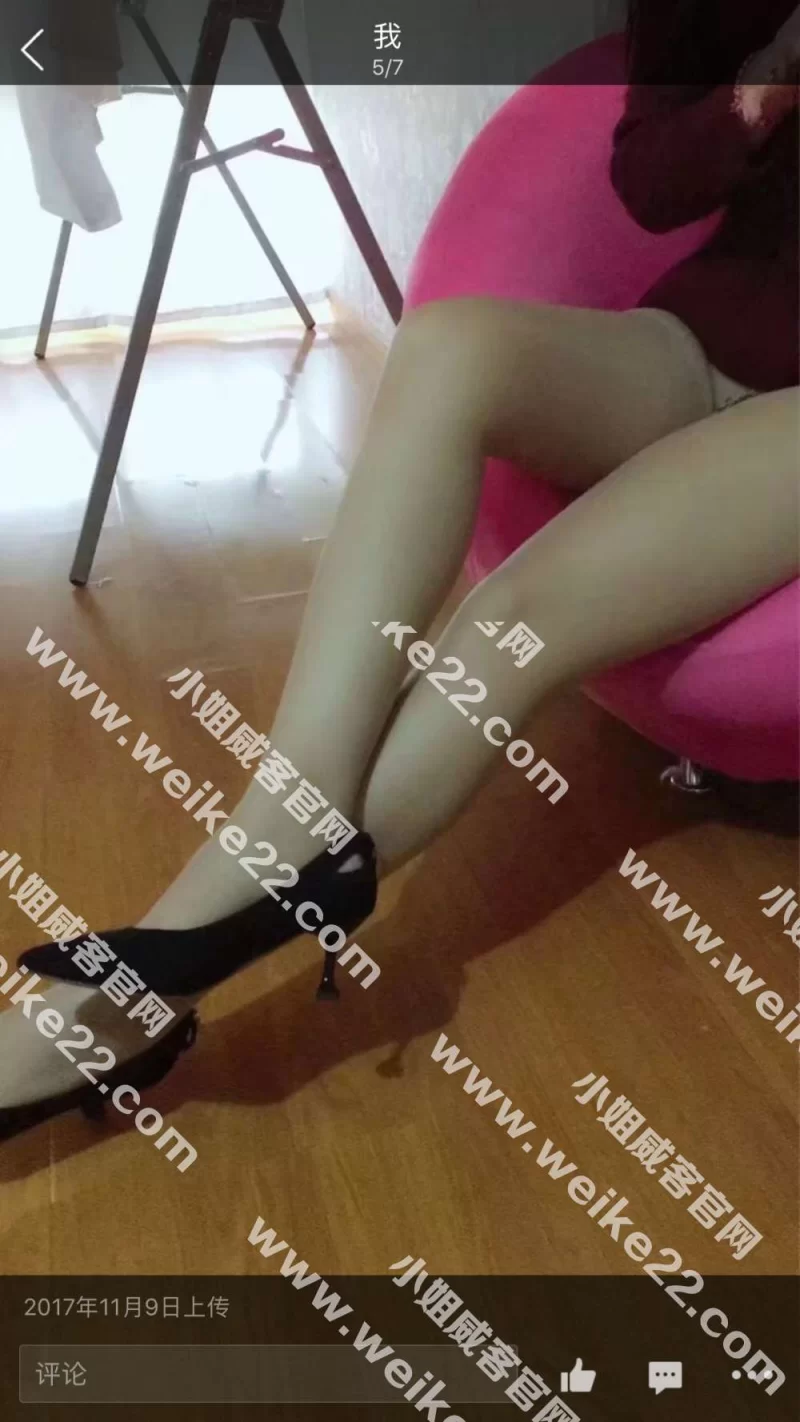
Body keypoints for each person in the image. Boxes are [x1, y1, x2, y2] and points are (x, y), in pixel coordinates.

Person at [2, 0, 798, 1137]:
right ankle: (296, 803)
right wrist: (755, 96)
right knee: (445, 346)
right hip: (697, 342)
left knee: (511, 617)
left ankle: (123, 1000)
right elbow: (648, 179)